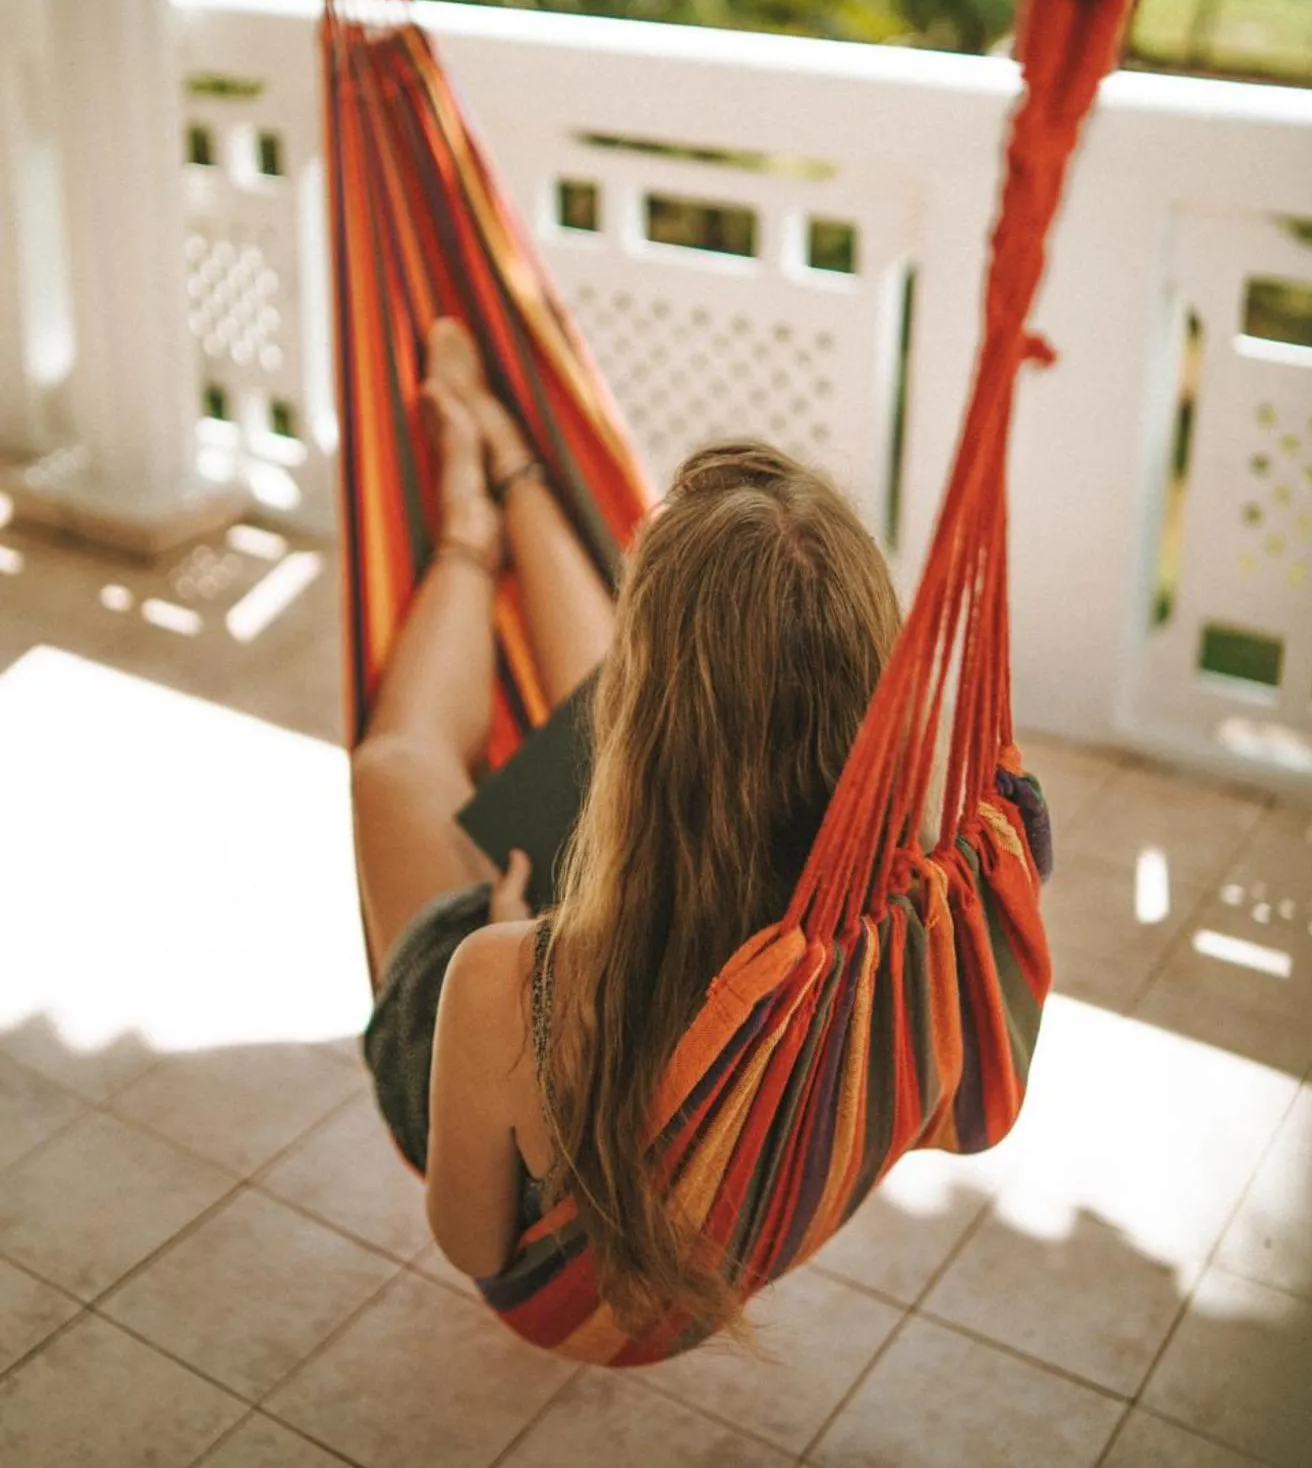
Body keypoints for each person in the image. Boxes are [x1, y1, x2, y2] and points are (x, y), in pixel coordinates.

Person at [352, 319, 902, 1338]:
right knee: (594, 708)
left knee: (396, 766)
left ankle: (472, 520)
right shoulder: (891, 922)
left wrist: (515, 937)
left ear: (647, 722)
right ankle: (512, 469)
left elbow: (476, 1246)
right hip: (701, 911)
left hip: (545, 988)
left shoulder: (498, 980)